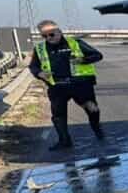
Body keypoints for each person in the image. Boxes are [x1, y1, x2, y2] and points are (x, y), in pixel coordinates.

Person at [30, 20, 105, 151]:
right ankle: (64, 141)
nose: (48, 38)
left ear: (59, 32)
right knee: (58, 115)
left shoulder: (75, 43)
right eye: (44, 36)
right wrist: (40, 73)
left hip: (80, 84)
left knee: (93, 109)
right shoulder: (40, 48)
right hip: (57, 86)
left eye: (51, 34)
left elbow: (97, 55)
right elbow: (33, 66)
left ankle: (97, 129)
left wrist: (82, 60)